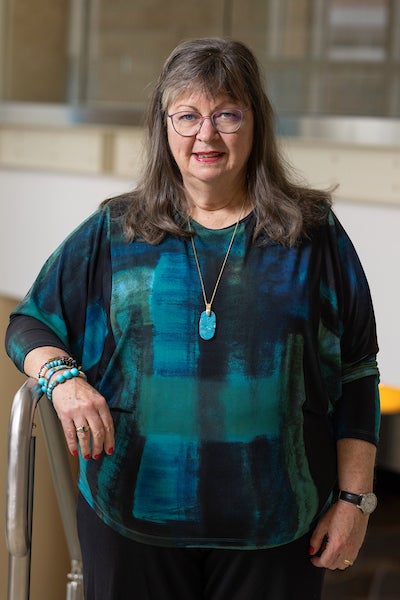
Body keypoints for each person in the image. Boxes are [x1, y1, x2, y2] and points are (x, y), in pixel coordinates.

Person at [5, 37, 380, 600]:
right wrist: (63, 379)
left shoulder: (310, 234)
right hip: (131, 520)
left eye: (227, 114)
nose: (206, 134)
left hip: (275, 528)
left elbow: (357, 372)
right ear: (165, 127)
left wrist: (354, 501)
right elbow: (29, 324)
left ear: (255, 122)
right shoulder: (117, 229)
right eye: (187, 115)